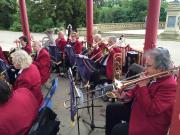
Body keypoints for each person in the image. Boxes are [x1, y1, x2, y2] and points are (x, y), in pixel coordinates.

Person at [106, 47, 177, 135]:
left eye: (148, 66)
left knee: (117, 130)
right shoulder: (153, 74)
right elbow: (136, 89)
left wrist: (143, 86)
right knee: (111, 108)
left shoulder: (170, 85)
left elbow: (152, 109)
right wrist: (126, 96)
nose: (145, 69)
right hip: (139, 109)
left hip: (151, 123)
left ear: (161, 69)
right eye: (145, 65)